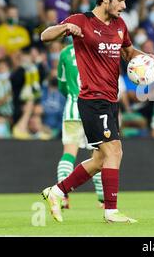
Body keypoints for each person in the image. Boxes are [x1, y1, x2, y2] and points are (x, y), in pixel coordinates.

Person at [40, 0, 154, 224]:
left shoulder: (120, 25)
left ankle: (57, 191)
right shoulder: (81, 20)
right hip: (92, 99)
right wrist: (64, 28)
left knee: (99, 159)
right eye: (120, 0)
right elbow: (45, 36)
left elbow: (128, 53)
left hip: (110, 100)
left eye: (125, 1)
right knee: (115, 151)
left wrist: (146, 59)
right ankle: (110, 211)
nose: (123, 6)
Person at [55, 44, 104, 209]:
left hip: (72, 109)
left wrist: (71, 96)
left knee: (69, 154)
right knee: (98, 155)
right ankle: (103, 200)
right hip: (93, 108)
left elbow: (61, 85)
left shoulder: (65, 53)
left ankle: (62, 197)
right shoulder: (96, 48)